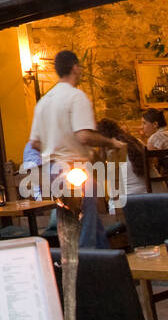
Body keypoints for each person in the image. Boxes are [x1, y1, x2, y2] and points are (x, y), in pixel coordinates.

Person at [28, 50, 126, 249]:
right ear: (74, 67)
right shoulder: (76, 97)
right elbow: (84, 136)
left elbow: (34, 143)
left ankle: (105, 261)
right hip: (74, 169)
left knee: (87, 220)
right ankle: (87, 263)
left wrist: (55, 146)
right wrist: (111, 143)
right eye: (79, 66)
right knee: (86, 222)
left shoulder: (43, 102)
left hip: (52, 171)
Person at [98, 119, 148, 201]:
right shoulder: (136, 141)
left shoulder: (113, 151)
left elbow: (115, 186)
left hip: (132, 199)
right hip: (155, 193)